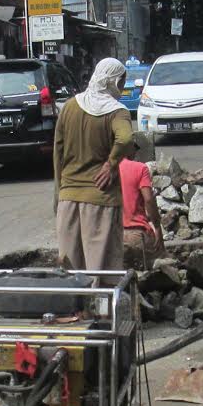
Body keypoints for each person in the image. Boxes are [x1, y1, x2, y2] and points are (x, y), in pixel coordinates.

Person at [54, 57, 134, 276]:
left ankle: (76, 310)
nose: (123, 87)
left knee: (71, 269)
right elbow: (126, 139)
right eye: (121, 82)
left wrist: (58, 197)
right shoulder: (117, 111)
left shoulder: (69, 107)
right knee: (101, 268)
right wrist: (111, 163)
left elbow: (57, 156)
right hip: (101, 201)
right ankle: (101, 310)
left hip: (68, 199)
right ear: (113, 82)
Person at [119, 146, 165, 271]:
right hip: (137, 234)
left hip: (115, 235)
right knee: (160, 264)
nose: (135, 153)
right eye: (134, 149)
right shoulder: (140, 168)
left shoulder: (106, 170)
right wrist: (157, 228)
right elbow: (149, 200)